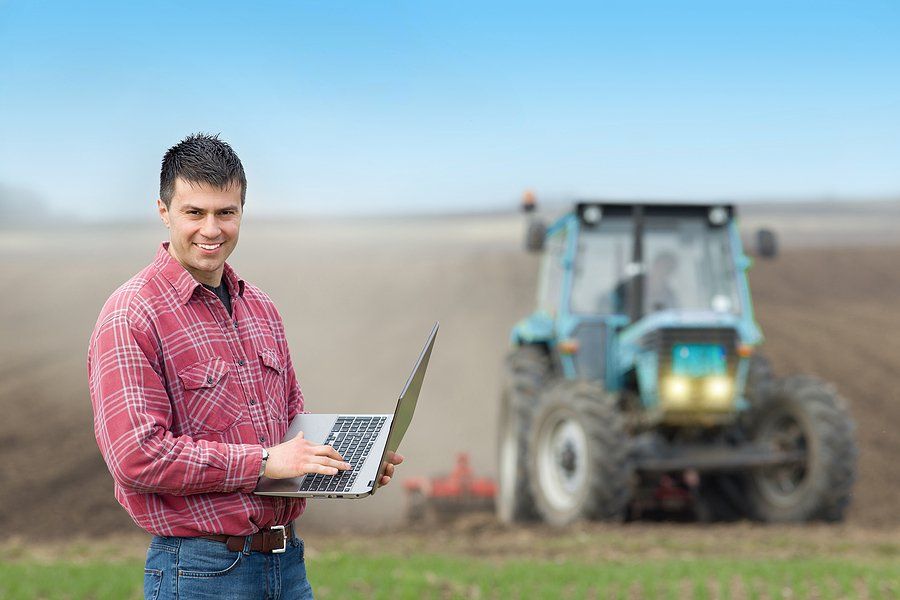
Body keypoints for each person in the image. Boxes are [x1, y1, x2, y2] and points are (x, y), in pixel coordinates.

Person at [87, 133, 403, 599]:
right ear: (163, 211)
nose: (211, 229)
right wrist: (265, 461)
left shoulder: (261, 309)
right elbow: (137, 457)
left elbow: (290, 432)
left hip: (286, 566)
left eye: (226, 213)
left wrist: (346, 466)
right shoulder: (133, 316)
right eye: (195, 213)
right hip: (200, 573)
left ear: (241, 212)